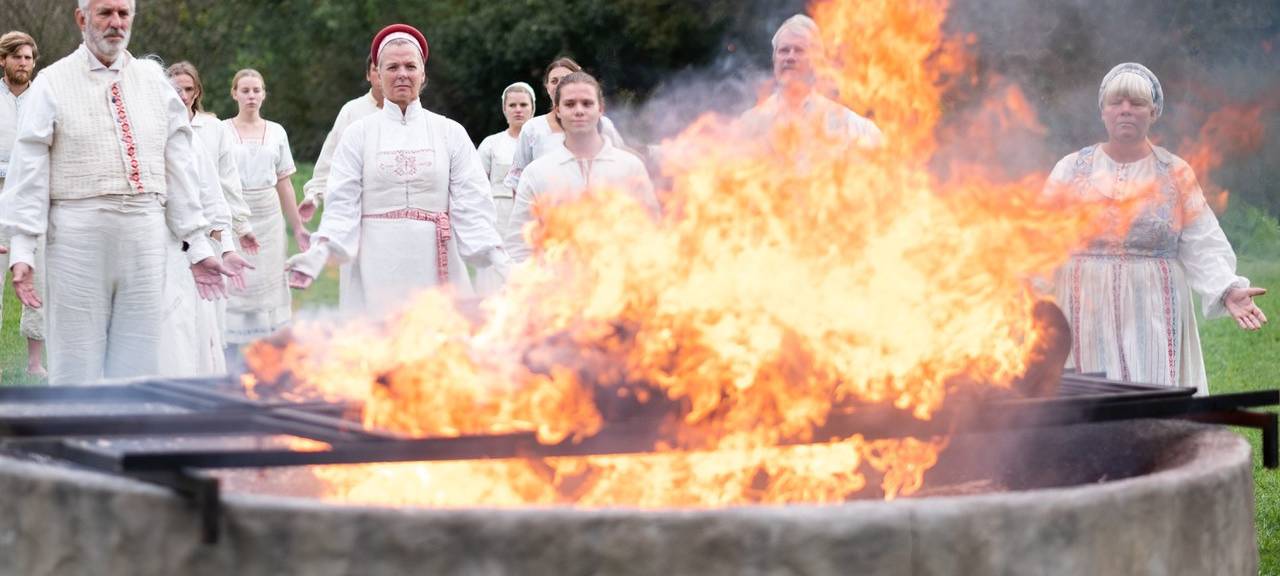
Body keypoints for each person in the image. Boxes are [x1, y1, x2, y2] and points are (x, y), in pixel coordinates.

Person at [0, 0, 229, 385]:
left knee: (139, 361)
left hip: (145, 230)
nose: (116, 23)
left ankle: (128, 440)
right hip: (77, 233)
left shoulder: (154, 81)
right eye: (105, 13)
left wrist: (198, 243)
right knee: (77, 359)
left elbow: (179, 162)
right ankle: (75, 439)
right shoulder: (52, 81)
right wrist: (22, 247)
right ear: (81, 18)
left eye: (124, 14)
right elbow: (30, 167)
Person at [1045, 62, 1267, 394]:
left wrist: (1227, 288)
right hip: (1084, 302)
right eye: (1116, 103)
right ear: (1102, 112)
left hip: (1152, 304)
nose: (1125, 111)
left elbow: (1201, 241)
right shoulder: (1070, 167)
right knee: (1088, 396)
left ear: (1153, 112)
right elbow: (1039, 238)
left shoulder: (1175, 172)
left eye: (1136, 104)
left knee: (1152, 395)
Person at [286, 24, 510, 313]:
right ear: (378, 74)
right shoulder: (358, 133)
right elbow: (342, 205)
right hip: (375, 263)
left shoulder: (449, 132)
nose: (402, 73)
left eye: (410, 66)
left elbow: (472, 204)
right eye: (392, 67)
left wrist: (497, 255)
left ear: (422, 73)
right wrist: (320, 251)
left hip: (435, 260)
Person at [504, 71, 657, 263]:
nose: (579, 110)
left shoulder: (630, 167)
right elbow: (519, 245)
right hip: (557, 286)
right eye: (569, 104)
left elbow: (651, 229)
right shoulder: (536, 173)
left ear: (600, 109)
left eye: (587, 103)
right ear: (557, 110)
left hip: (619, 283)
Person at [164, 61, 253, 375]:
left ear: (197, 91)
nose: (183, 95)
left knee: (207, 315)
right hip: (164, 243)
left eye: (189, 89)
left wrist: (229, 240)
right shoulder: (153, 131)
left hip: (206, 236)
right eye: (176, 89)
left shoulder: (210, 131)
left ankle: (205, 379)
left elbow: (221, 188)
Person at [224, 68, 307, 347]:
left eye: (256, 90)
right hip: (235, 214)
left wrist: (297, 226)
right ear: (234, 93)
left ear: (264, 95)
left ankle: (269, 343)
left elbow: (284, 182)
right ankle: (232, 342)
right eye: (245, 90)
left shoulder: (276, 132)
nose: (251, 96)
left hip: (269, 217)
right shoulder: (222, 131)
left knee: (269, 280)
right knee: (237, 280)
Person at [739, 14, 883, 148]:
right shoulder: (750, 123)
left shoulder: (845, 122)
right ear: (774, 59)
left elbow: (881, 151)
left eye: (799, 50)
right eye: (784, 50)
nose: (790, 57)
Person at [502, 57, 628, 190]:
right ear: (547, 87)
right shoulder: (533, 128)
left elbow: (622, 165)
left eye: (566, 79)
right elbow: (518, 181)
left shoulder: (601, 124)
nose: (559, 85)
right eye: (554, 81)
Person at [0, 30, 47, 378]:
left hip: (34, 198)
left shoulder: (44, 99)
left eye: (28, 58)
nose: (23, 63)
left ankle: (34, 364)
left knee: (38, 281)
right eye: (17, 57)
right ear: (3, 60)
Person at [299, 55, 384, 222]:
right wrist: (314, 196)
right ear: (368, 75)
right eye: (376, 69)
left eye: (387, 68)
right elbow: (331, 156)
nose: (381, 75)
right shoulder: (352, 110)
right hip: (357, 205)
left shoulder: (411, 112)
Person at [477, 82, 535, 235]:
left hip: (534, 215)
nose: (518, 110)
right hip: (499, 218)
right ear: (504, 109)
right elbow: (476, 184)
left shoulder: (541, 143)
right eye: (512, 105)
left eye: (523, 104)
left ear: (532, 108)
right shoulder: (491, 144)